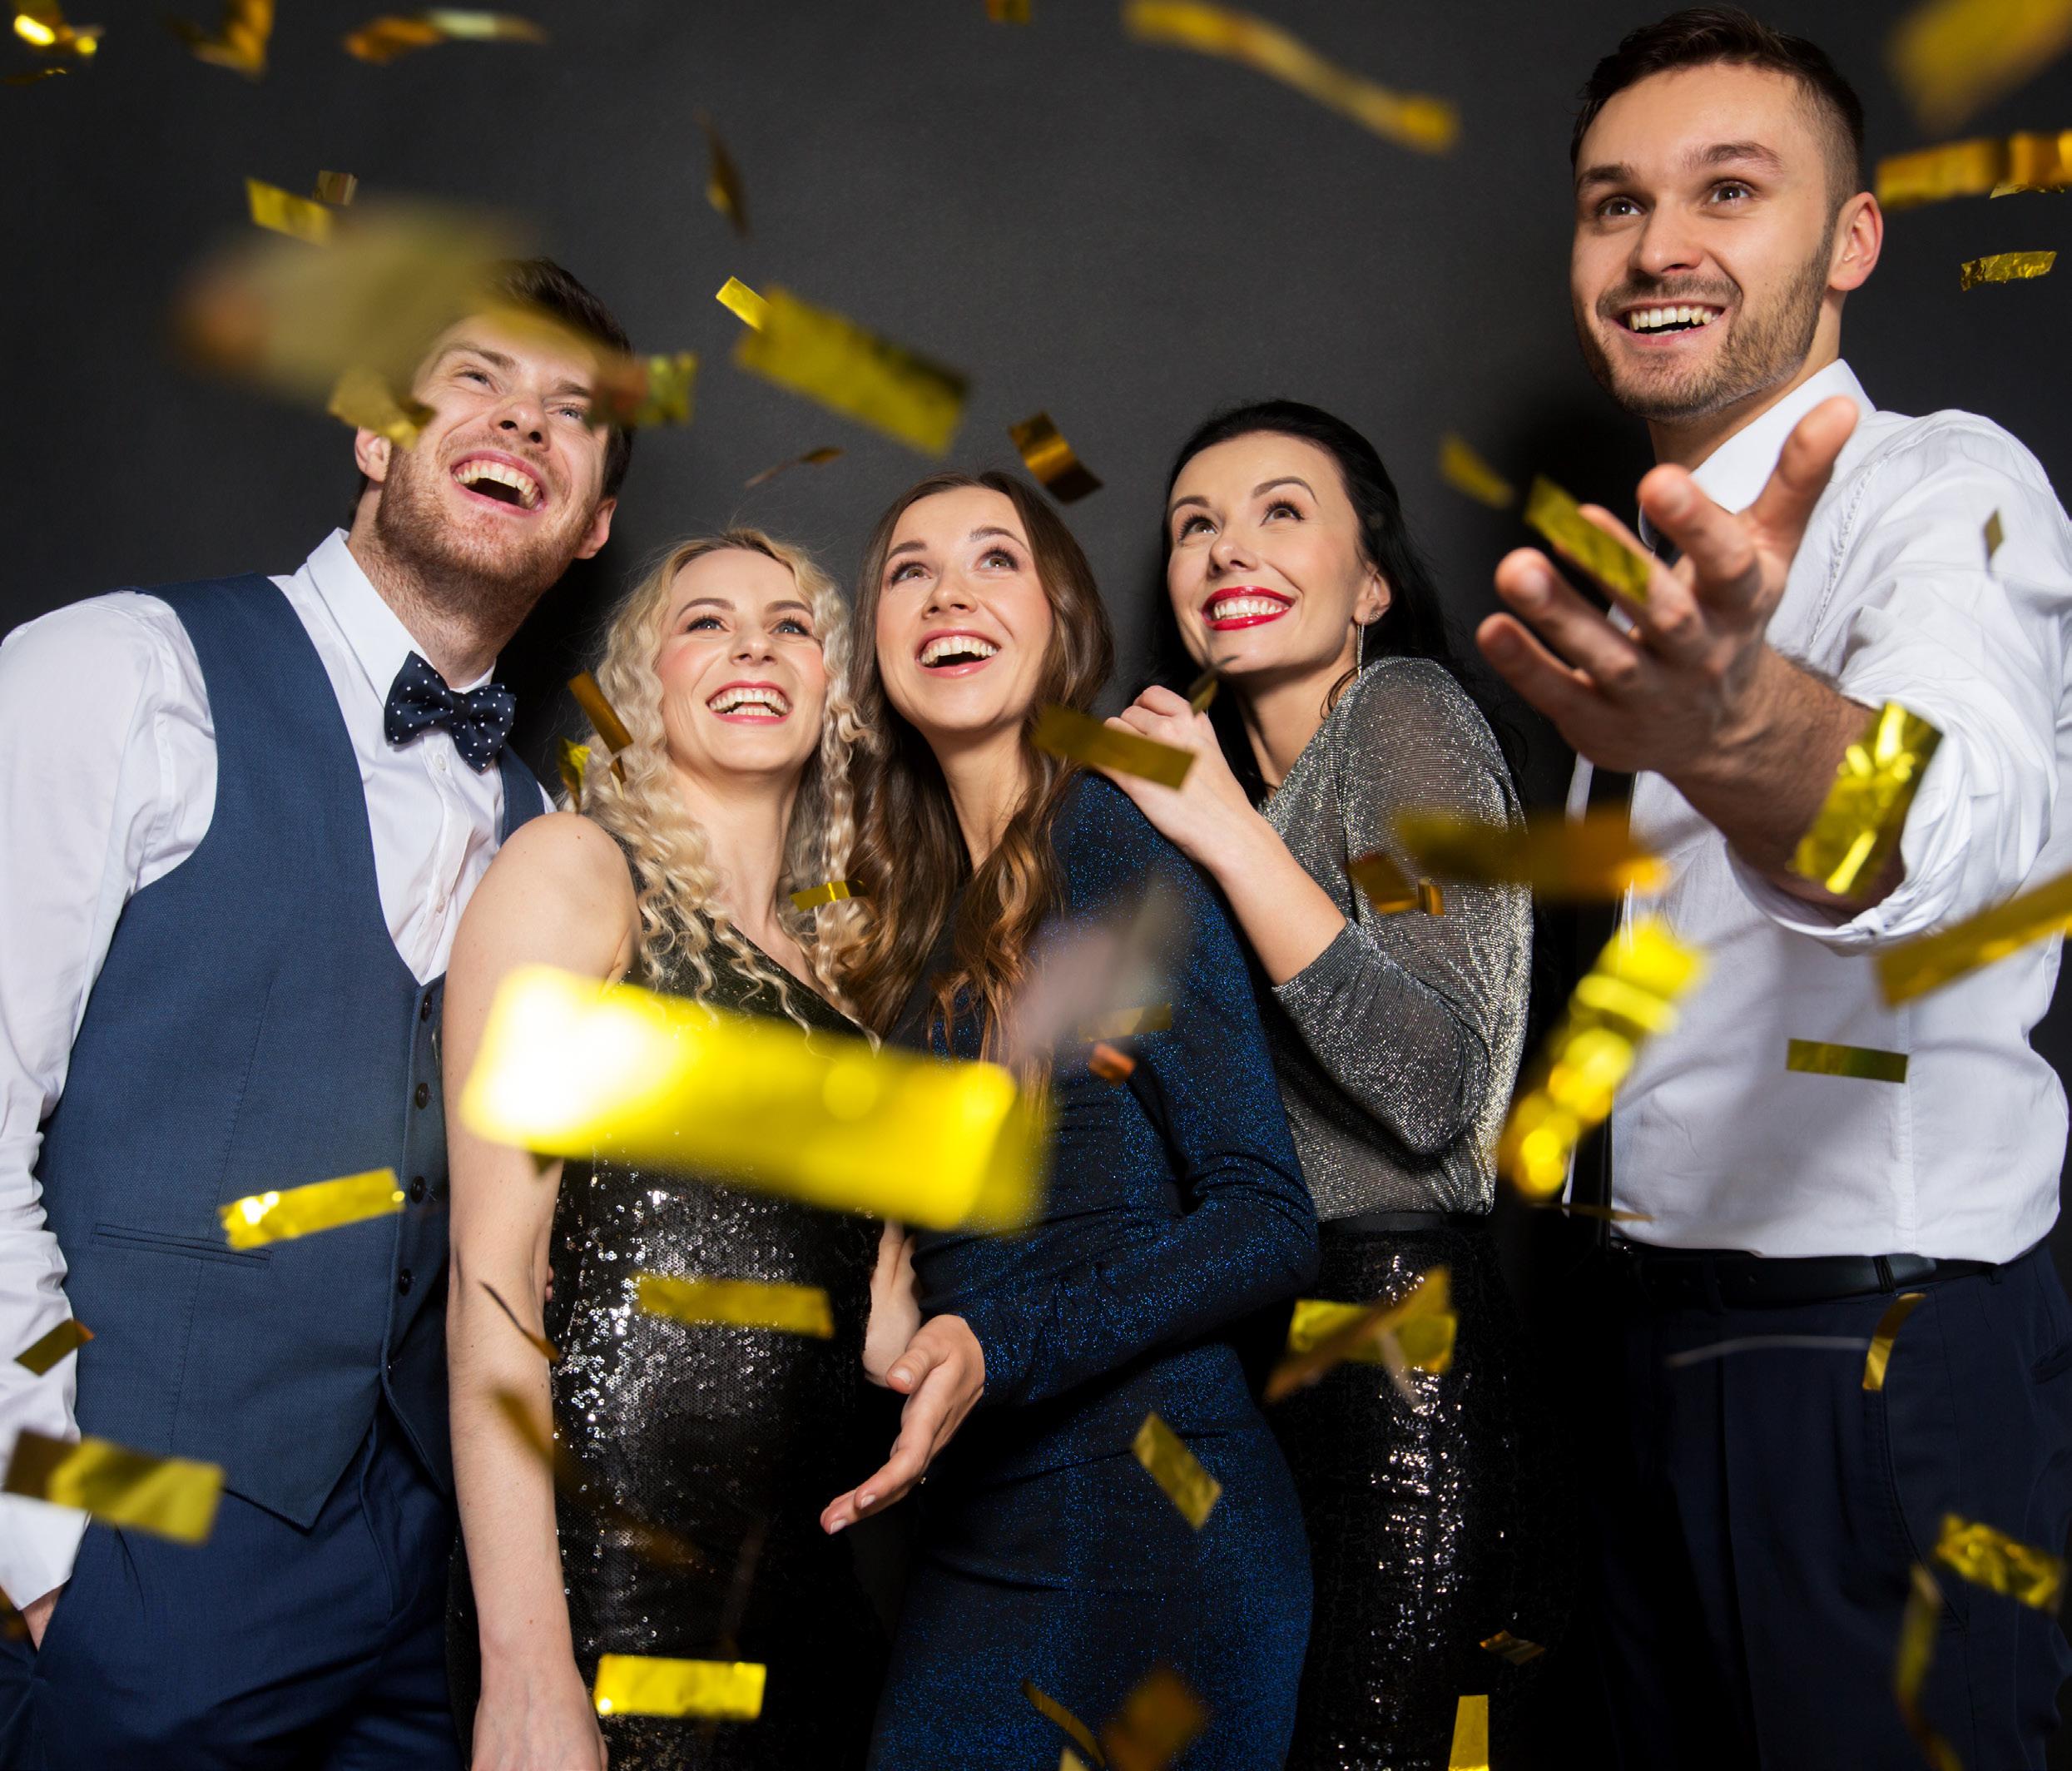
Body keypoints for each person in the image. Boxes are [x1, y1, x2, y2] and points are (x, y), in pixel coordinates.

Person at [1475, 10, 2072, 1764]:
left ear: (1852, 239)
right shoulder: (1645, 588)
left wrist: (1748, 735)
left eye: (1728, 190)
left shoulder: (1943, 492)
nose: (1658, 245)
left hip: (1866, 1362)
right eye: (1616, 203)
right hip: (1645, 1350)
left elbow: (1953, 822)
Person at [0, 259, 630, 1766]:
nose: (520, 424)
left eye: (570, 412)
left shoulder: (547, 833)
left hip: (419, 1605)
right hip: (140, 1560)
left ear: (596, 522)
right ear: (373, 428)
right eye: (475, 377)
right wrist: (54, 1556)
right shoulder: (122, 671)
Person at [442, 531, 985, 1770]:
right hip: (615, 1603)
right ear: (649, 687)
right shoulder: (576, 875)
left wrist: (959, 1343)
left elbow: (872, 1331)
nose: (753, 646)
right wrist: (525, 1672)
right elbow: (490, 1280)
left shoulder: (847, 991)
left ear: (835, 691)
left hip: (812, 1611)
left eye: (792, 626)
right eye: (706, 623)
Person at [1101, 400, 1564, 1765]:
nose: (1225, 547)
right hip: (1254, 1363)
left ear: (1370, 584)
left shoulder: (1396, 714)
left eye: (1280, 511)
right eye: (1194, 525)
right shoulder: (1211, 809)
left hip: (1396, 1350)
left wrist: (1227, 836)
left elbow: (1430, 1082)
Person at [843, 469, 1320, 1770]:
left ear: (1060, 621)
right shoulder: (911, 923)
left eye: (993, 560)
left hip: (1159, 1515)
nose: (947, 593)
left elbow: (1265, 1219)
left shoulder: (1110, 838)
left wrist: (995, 1341)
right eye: (908, 570)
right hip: (976, 1527)